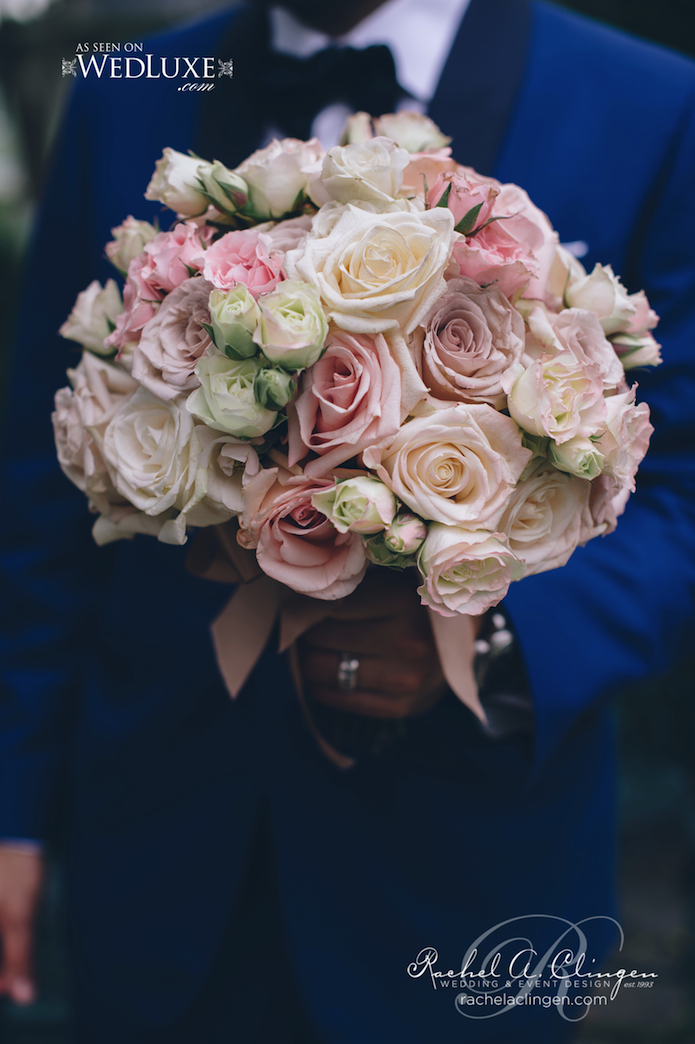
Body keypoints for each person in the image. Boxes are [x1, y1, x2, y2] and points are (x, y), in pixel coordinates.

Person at [1, 0, 694, 1040]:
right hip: (160, 853)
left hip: (466, 872)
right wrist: (11, 812)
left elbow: (679, 491)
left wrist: (490, 640)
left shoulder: (653, 105)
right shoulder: (122, 89)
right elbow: (38, 496)